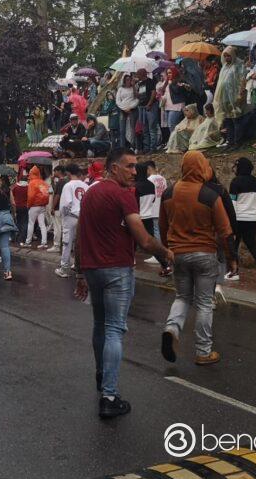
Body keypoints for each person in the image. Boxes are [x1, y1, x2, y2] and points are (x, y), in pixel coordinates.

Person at [73, 148, 172, 419]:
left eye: (135, 166)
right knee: (115, 330)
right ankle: (109, 395)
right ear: (113, 168)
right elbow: (144, 239)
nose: (134, 171)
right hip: (117, 270)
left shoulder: (90, 194)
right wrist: (166, 253)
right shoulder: (123, 195)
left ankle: (101, 374)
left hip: (93, 270)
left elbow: (80, 236)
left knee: (100, 325)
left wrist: (80, 272)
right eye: (129, 166)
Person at [159, 150, 234, 366]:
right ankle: (203, 351)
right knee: (203, 303)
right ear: (202, 167)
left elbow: (163, 227)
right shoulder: (209, 195)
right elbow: (225, 231)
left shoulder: (169, 193)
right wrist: (230, 258)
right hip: (205, 254)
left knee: (182, 297)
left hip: (178, 254)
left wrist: (167, 251)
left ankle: (172, 329)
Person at [229, 157, 256, 281]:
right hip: (252, 219)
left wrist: (231, 220)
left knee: (234, 245)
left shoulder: (235, 182)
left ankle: (234, 272)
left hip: (238, 218)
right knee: (252, 244)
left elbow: (233, 203)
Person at [55, 165, 88, 278]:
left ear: (69, 173)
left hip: (70, 217)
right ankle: (78, 266)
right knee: (80, 244)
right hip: (83, 217)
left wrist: (64, 216)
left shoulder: (68, 185)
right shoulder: (85, 185)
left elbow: (66, 204)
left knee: (67, 243)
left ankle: (64, 269)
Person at [213, 47, 244, 148]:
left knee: (236, 119)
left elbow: (241, 80)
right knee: (228, 120)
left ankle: (237, 141)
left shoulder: (238, 65)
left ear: (233, 55)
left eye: (228, 56)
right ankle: (230, 141)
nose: (226, 58)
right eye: (225, 56)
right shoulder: (224, 67)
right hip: (224, 97)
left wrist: (240, 94)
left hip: (234, 97)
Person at [24, 166, 50, 248]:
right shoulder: (43, 182)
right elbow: (47, 194)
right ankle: (44, 243)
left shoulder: (32, 183)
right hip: (43, 205)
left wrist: (28, 205)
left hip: (34, 206)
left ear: (31, 173)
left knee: (31, 223)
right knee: (42, 224)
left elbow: (31, 196)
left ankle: (27, 242)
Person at [135, 162, 159, 242]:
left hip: (138, 218)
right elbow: (153, 199)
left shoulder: (136, 186)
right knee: (150, 241)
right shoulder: (151, 185)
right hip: (149, 217)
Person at [115, 73, 139, 149]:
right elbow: (118, 101)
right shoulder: (120, 89)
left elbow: (137, 99)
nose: (128, 81)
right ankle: (122, 148)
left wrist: (130, 107)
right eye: (127, 80)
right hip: (123, 110)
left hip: (132, 110)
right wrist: (124, 108)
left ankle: (133, 146)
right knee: (122, 130)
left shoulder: (135, 87)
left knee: (133, 129)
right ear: (124, 80)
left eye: (129, 79)